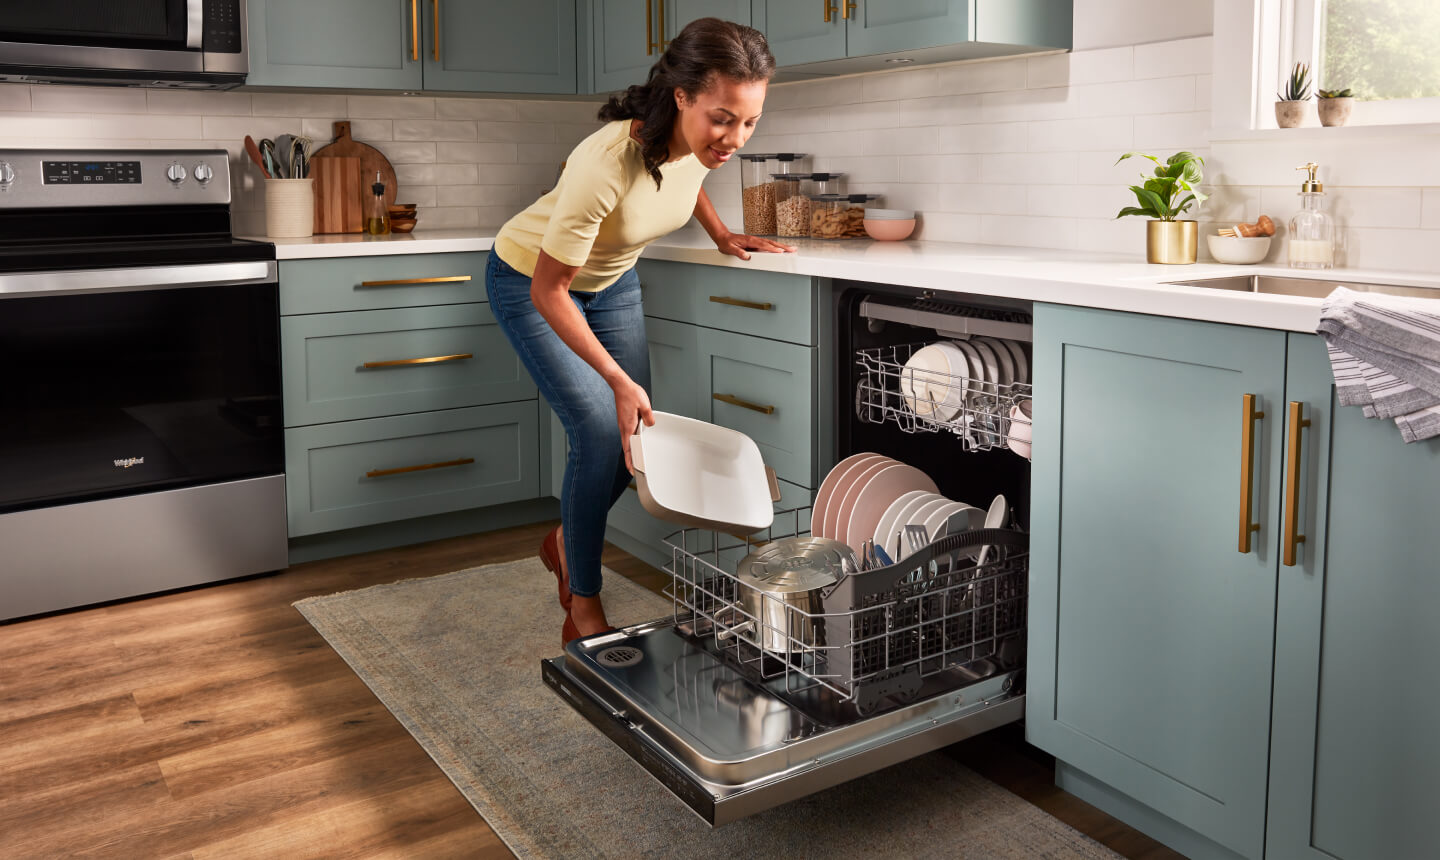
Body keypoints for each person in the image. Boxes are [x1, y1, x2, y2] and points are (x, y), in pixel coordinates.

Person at [485, 18, 793, 646]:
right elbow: (550, 289)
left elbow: (691, 177)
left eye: (749, 121)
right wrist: (618, 380)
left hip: (613, 282)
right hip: (532, 282)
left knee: (635, 443)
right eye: (722, 118)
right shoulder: (607, 161)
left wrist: (722, 232)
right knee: (602, 429)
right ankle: (584, 605)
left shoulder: (696, 142)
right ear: (681, 96)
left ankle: (568, 542)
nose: (734, 138)